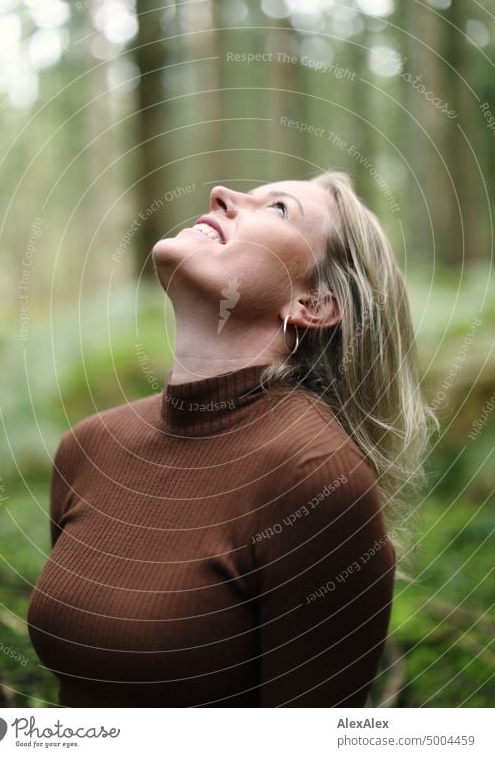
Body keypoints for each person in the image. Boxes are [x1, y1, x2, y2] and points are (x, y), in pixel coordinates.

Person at [27, 171, 435, 707]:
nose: (220, 192)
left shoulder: (313, 478)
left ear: (314, 305)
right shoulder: (90, 447)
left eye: (279, 209)